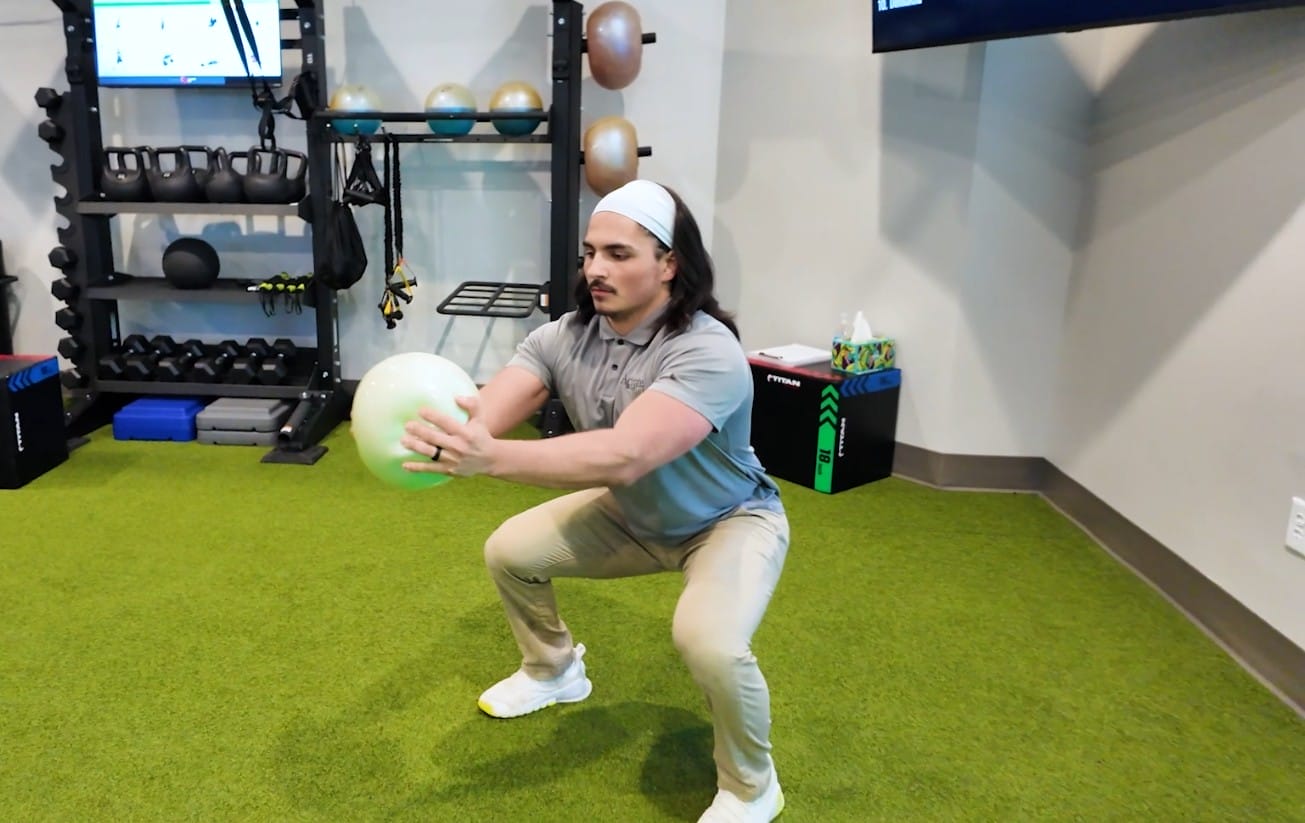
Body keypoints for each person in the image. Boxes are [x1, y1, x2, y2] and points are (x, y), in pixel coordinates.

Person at [399, 179, 790, 822]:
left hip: (727, 522)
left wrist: (489, 458)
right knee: (510, 552)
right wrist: (449, 435)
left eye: (618, 254)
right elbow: (489, 414)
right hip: (632, 513)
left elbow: (626, 453)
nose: (595, 269)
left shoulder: (707, 350)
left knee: (709, 642)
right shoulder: (563, 338)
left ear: (670, 265)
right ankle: (554, 670)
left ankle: (752, 786)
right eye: (589, 253)